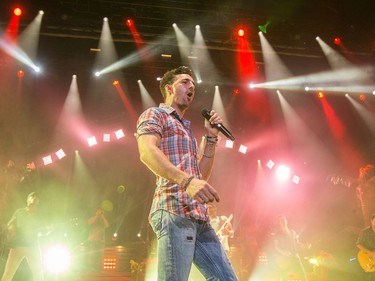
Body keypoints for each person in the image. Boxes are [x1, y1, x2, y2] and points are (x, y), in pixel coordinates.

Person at [136, 66, 237, 280]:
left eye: (193, 84)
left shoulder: (186, 129)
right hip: (174, 211)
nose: (191, 86)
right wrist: (186, 181)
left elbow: (200, 176)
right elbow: (146, 151)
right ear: (169, 88)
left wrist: (211, 138)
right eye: (185, 82)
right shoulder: (155, 114)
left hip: (199, 217)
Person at [1, 192, 44, 281]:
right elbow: (10, 224)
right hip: (17, 246)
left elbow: (42, 230)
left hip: (32, 247)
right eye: (32, 198)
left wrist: (47, 231)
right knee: (8, 274)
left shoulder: (40, 215)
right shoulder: (19, 212)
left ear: (38, 203)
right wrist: (11, 228)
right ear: (27, 200)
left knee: (38, 274)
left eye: (36, 199)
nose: (34, 200)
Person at [273, 214, 310, 281]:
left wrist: (304, 246)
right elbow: (276, 247)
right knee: (285, 278)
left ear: (286, 221)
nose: (283, 221)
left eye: (284, 219)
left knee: (303, 277)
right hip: (285, 260)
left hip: (295, 257)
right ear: (279, 223)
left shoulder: (293, 232)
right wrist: (283, 252)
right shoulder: (277, 234)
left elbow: (297, 243)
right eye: (281, 220)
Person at [87, 207, 109, 271]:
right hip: (92, 240)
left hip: (100, 240)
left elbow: (107, 225)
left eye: (100, 211)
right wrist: (96, 215)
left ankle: (99, 268)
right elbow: (89, 222)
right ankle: (91, 268)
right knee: (92, 255)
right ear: (95, 212)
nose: (99, 212)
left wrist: (102, 216)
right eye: (98, 211)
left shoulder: (102, 220)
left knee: (100, 255)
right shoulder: (92, 218)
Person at [356, 213, 375, 280]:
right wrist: (370, 253)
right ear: (371, 221)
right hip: (368, 257)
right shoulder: (365, 232)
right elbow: (358, 244)